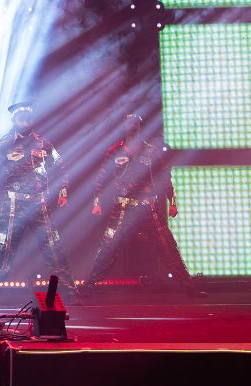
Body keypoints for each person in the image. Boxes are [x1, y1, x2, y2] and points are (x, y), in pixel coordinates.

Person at [82, 114, 205, 296]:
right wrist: (97, 202)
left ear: (140, 126)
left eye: (135, 123)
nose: (132, 126)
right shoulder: (114, 151)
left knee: (167, 247)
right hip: (123, 207)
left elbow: (164, 176)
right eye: (129, 123)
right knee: (108, 247)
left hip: (147, 206)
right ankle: (88, 288)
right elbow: (102, 177)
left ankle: (189, 288)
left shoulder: (151, 150)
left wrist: (172, 202)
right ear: (124, 126)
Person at [0, 102, 77, 302]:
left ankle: (71, 292)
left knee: (53, 247)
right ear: (14, 120)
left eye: (28, 117)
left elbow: (60, 167)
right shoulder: (5, 143)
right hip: (13, 204)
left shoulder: (43, 143)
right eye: (21, 118)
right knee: (3, 249)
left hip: (38, 203)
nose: (25, 121)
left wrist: (63, 192)